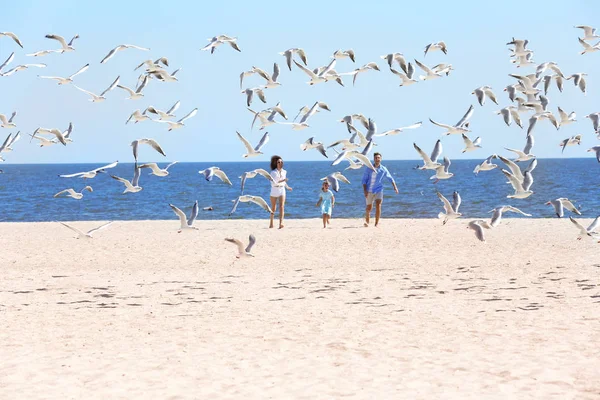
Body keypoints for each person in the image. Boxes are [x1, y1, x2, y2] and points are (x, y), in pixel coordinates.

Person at [361, 152, 398, 227]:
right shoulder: (369, 168)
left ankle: (376, 223)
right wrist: (365, 190)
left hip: (378, 189)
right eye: (376, 158)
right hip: (369, 190)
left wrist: (395, 187)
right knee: (369, 207)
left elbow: (390, 178)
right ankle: (367, 221)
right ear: (374, 159)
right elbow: (364, 180)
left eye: (378, 158)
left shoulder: (383, 169)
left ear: (381, 159)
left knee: (378, 205)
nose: (377, 159)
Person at [269, 155, 292, 229]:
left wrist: (287, 187)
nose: (280, 163)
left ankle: (281, 223)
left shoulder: (284, 172)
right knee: (273, 208)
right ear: (276, 163)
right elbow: (275, 181)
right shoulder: (273, 172)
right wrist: (283, 180)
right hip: (274, 190)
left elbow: (284, 181)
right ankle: (271, 223)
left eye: (281, 162)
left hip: (282, 189)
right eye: (279, 162)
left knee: (282, 206)